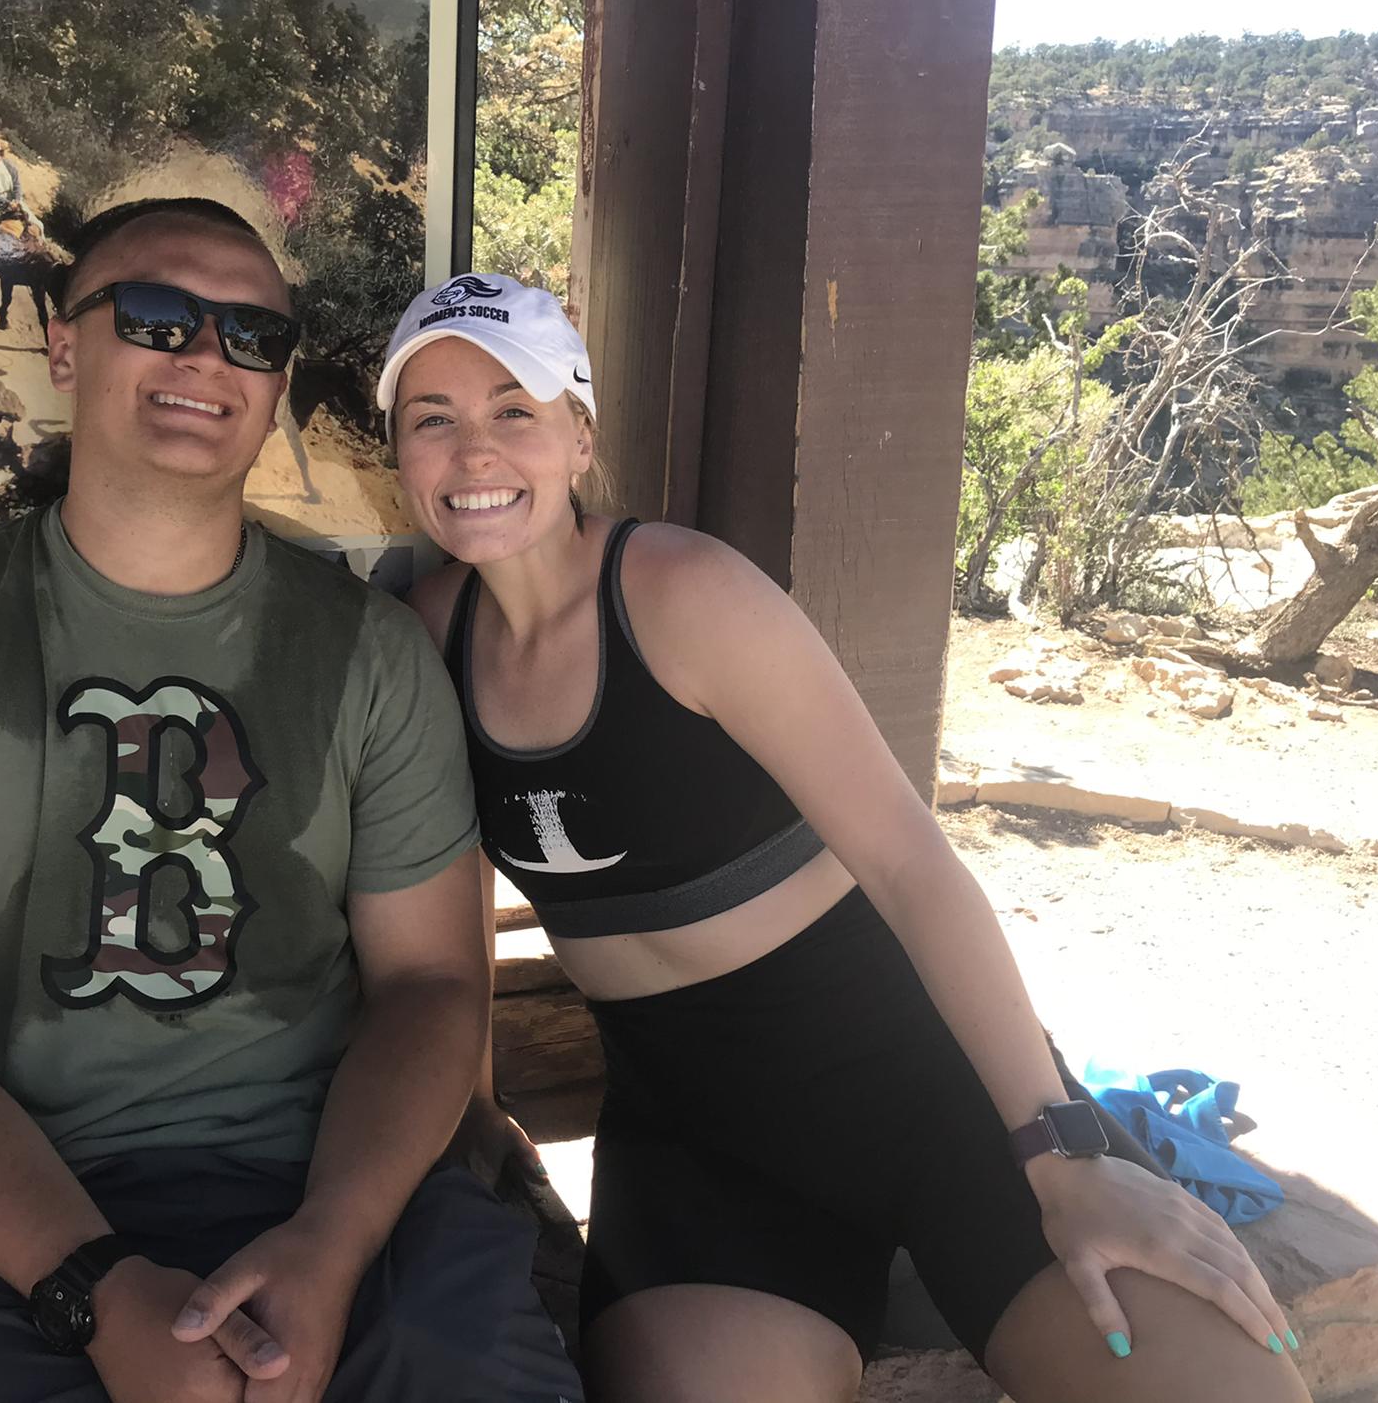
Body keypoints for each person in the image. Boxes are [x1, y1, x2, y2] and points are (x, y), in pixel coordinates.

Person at [381, 273, 1313, 1403]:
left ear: (577, 437)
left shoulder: (682, 597)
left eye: (512, 410)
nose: (473, 452)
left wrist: (1062, 1147)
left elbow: (909, 865)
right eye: (431, 419)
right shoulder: (425, 645)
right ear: (399, 454)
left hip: (925, 1087)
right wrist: (479, 1123)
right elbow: (448, 923)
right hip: (699, 1143)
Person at [0, 203, 582, 1403]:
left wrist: (332, 1244)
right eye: (158, 317)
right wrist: (91, 1290)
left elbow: (428, 987)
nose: (206, 357)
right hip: (15, 1206)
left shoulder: (365, 653)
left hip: (339, 1180)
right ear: (64, 348)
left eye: (252, 336)